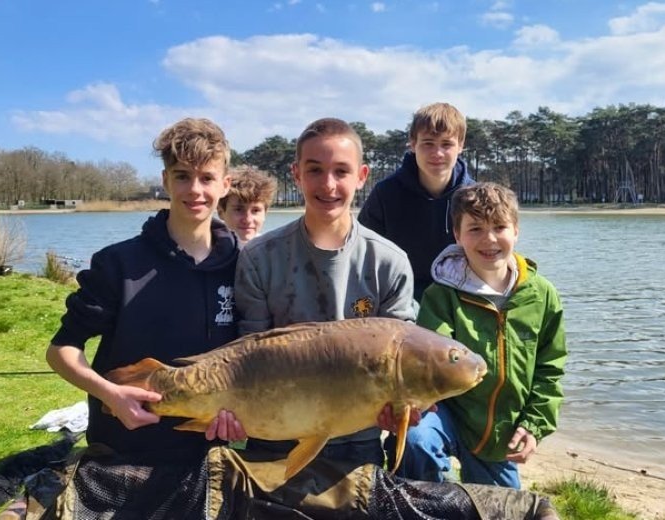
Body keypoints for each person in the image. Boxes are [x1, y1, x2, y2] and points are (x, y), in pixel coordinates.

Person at [45, 117, 245, 461]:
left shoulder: (245, 264)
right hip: (124, 444)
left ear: (225, 185)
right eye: (182, 176)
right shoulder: (118, 263)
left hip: (207, 448)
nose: (195, 190)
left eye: (207, 178)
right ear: (165, 180)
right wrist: (109, 394)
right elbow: (61, 350)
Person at [234, 117, 417, 466]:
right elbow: (247, 359)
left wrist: (402, 409)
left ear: (362, 176)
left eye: (341, 171)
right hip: (276, 433)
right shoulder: (259, 257)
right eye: (315, 170)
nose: (328, 184)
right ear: (296, 173)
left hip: (357, 439)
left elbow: (401, 369)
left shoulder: (390, 263)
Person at [399, 182, 567, 488]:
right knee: (417, 440)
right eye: (475, 229)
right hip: (446, 414)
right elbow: (429, 366)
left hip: (499, 434)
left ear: (516, 230)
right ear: (457, 235)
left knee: (501, 509)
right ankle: (431, 501)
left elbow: (550, 370)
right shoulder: (441, 295)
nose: (489, 239)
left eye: (499, 227)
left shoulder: (543, 296)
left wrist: (534, 426)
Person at [358, 102, 475, 301]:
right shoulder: (386, 193)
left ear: (461, 145)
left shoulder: (474, 197)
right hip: (397, 294)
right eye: (428, 143)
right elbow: (360, 253)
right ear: (413, 144)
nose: (437, 153)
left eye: (446, 144)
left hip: (459, 296)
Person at [217, 165, 278, 246]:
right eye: (238, 209)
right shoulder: (206, 252)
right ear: (221, 212)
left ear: (265, 213)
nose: (248, 220)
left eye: (255, 210)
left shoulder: (275, 253)